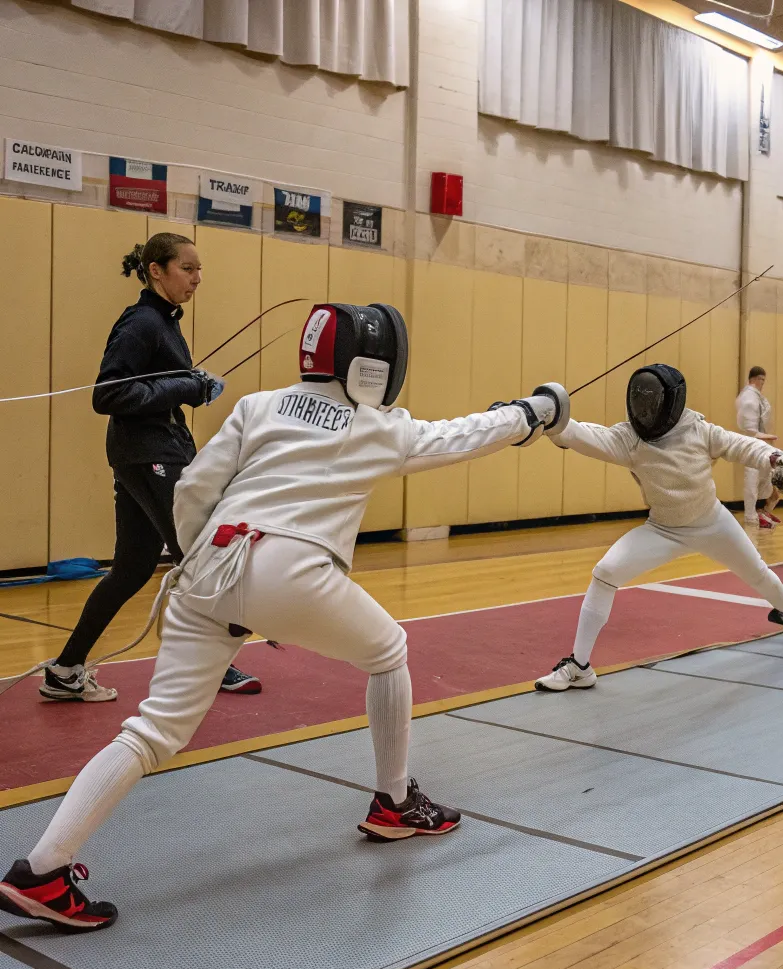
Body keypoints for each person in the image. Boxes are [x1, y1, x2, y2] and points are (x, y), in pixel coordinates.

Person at [0, 300, 570, 930]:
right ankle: (394, 802)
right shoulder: (378, 427)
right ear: (373, 367)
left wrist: (207, 566)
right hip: (291, 572)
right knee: (389, 652)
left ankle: (43, 869)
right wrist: (533, 411)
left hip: (206, 566)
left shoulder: (259, 405)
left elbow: (192, 490)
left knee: (152, 730)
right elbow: (463, 435)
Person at [39, 233, 261, 702]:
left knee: (133, 566)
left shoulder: (164, 320)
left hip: (149, 451)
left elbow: (155, 386)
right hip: (149, 453)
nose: (197, 279)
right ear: (156, 270)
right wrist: (187, 387)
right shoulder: (142, 322)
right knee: (196, 555)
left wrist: (189, 385)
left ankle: (65, 669)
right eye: (187, 268)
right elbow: (109, 394)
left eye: (199, 270)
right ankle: (212, 666)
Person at [534, 363, 783, 693]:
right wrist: (552, 418)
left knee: (759, 573)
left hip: (713, 523)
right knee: (606, 572)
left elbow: (743, 445)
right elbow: (585, 435)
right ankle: (579, 667)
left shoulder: (698, 429)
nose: (645, 411)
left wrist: (777, 459)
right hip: (663, 530)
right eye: (640, 402)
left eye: (651, 403)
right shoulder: (631, 438)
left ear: (671, 402)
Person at [736, 365, 781, 529]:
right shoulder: (748, 398)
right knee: (752, 481)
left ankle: (761, 511)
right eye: (761, 379)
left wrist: (766, 438)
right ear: (754, 379)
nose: (763, 383)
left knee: (766, 480)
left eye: (764, 380)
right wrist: (766, 437)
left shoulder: (757, 397)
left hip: (760, 445)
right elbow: (749, 430)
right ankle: (751, 516)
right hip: (751, 446)